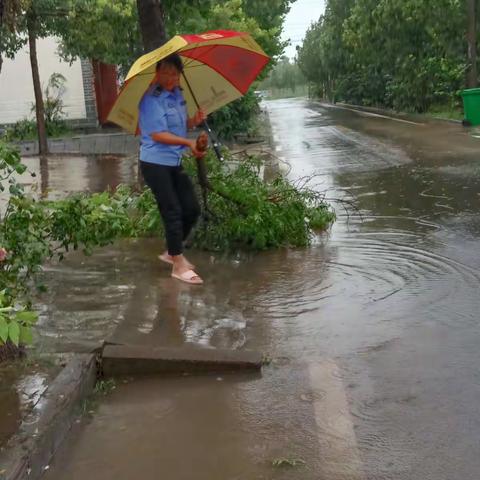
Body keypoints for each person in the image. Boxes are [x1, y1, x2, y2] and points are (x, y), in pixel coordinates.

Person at [138, 54, 206, 285]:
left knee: (192, 208)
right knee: (173, 211)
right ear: (157, 73)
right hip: (154, 163)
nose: (170, 78)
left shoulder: (177, 95)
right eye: (165, 72)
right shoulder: (151, 99)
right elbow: (157, 134)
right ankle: (177, 264)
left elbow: (178, 125)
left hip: (173, 162)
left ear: (179, 76)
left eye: (174, 74)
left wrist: (193, 121)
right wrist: (188, 143)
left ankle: (171, 251)